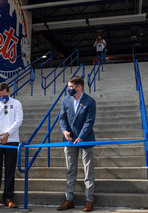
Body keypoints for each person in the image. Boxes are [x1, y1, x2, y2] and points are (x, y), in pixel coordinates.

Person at [57, 76, 96, 212]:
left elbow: (89, 122)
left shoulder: (90, 101)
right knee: (70, 170)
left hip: (85, 139)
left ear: (79, 87)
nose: (69, 89)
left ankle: (89, 200)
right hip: (69, 140)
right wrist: (65, 131)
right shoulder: (66, 99)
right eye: (68, 87)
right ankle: (69, 200)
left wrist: (80, 137)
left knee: (88, 171)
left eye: (71, 87)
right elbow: (62, 117)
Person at [0, 82, 23, 209]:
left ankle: (7, 197)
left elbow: (19, 120)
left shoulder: (16, 103)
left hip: (12, 140)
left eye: (3, 95)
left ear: (9, 92)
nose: (1, 98)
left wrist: (7, 133)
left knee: (10, 170)